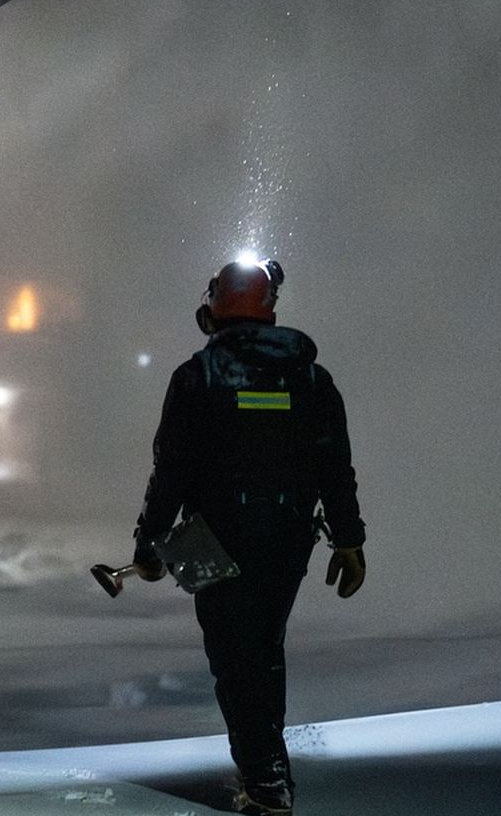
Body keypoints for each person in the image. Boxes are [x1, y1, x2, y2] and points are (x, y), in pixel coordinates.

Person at [131, 258, 366, 815]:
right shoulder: (311, 378)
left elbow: (171, 472)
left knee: (236, 660)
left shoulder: (195, 379)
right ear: (270, 310)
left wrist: (150, 545)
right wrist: (348, 540)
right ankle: (265, 766)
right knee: (262, 650)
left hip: (212, 542)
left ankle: (266, 784)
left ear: (211, 310)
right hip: (288, 540)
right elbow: (335, 467)